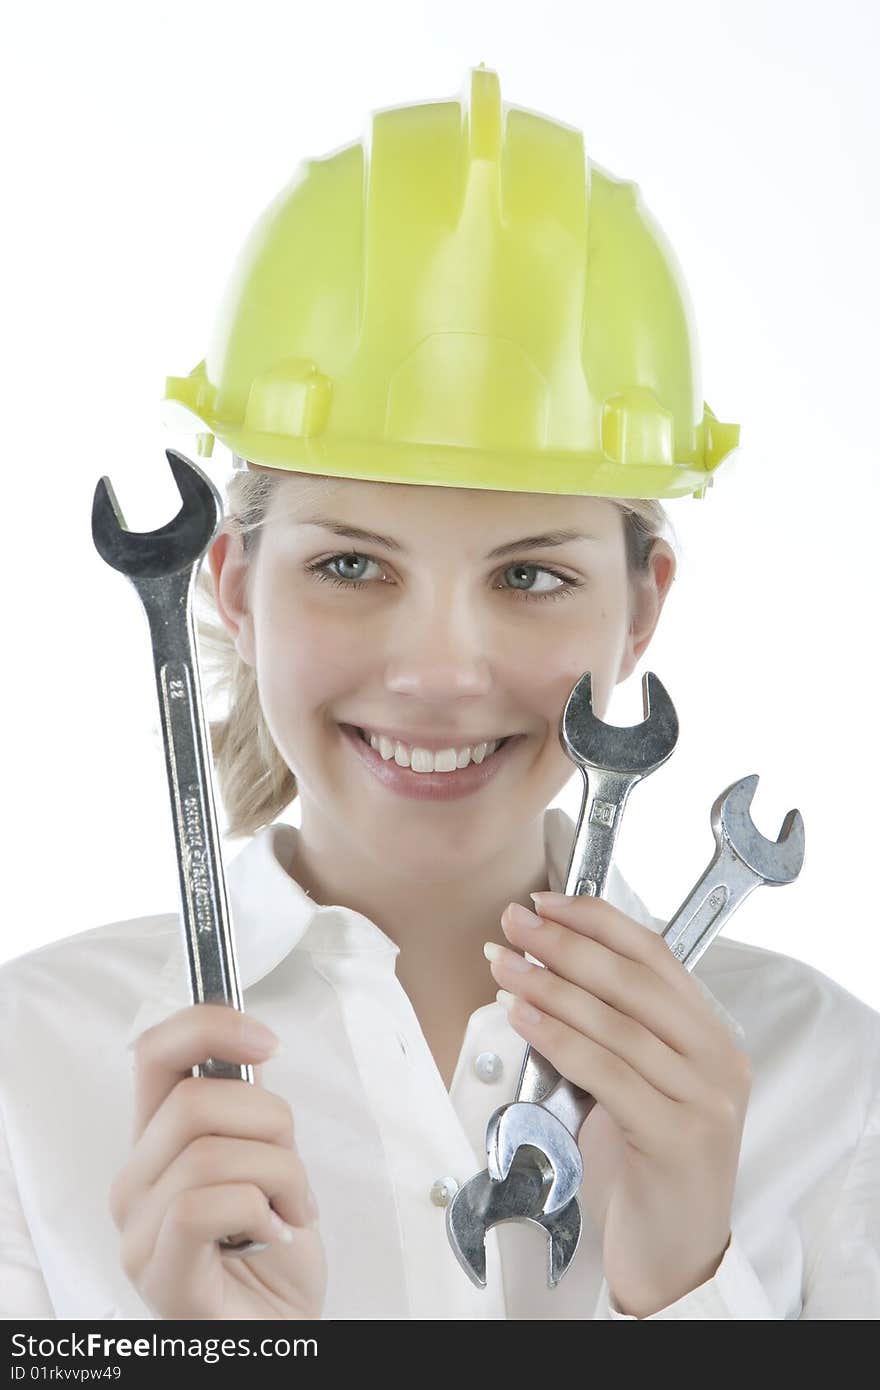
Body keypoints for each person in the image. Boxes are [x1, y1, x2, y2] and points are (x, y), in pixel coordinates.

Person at [2, 66, 878, 1322]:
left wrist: (686, 1291)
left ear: (640, 607)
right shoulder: (27, 1077)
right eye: (350, 563)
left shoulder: (831, 1083)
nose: (437, 670)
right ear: (234, 585)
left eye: (528, 574)